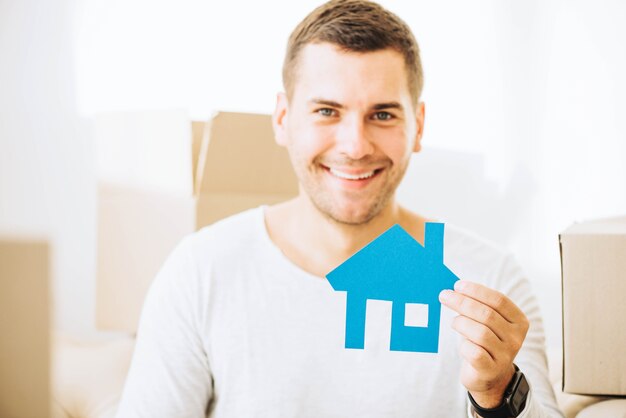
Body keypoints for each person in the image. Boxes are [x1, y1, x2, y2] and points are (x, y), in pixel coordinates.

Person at [117, 1, 563, 417]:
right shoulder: (201, 271)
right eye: (328, 111)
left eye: (383, 114)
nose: (354, 145)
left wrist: (495, 394)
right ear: (282, 119)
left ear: (418, 126)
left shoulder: (489, 281)